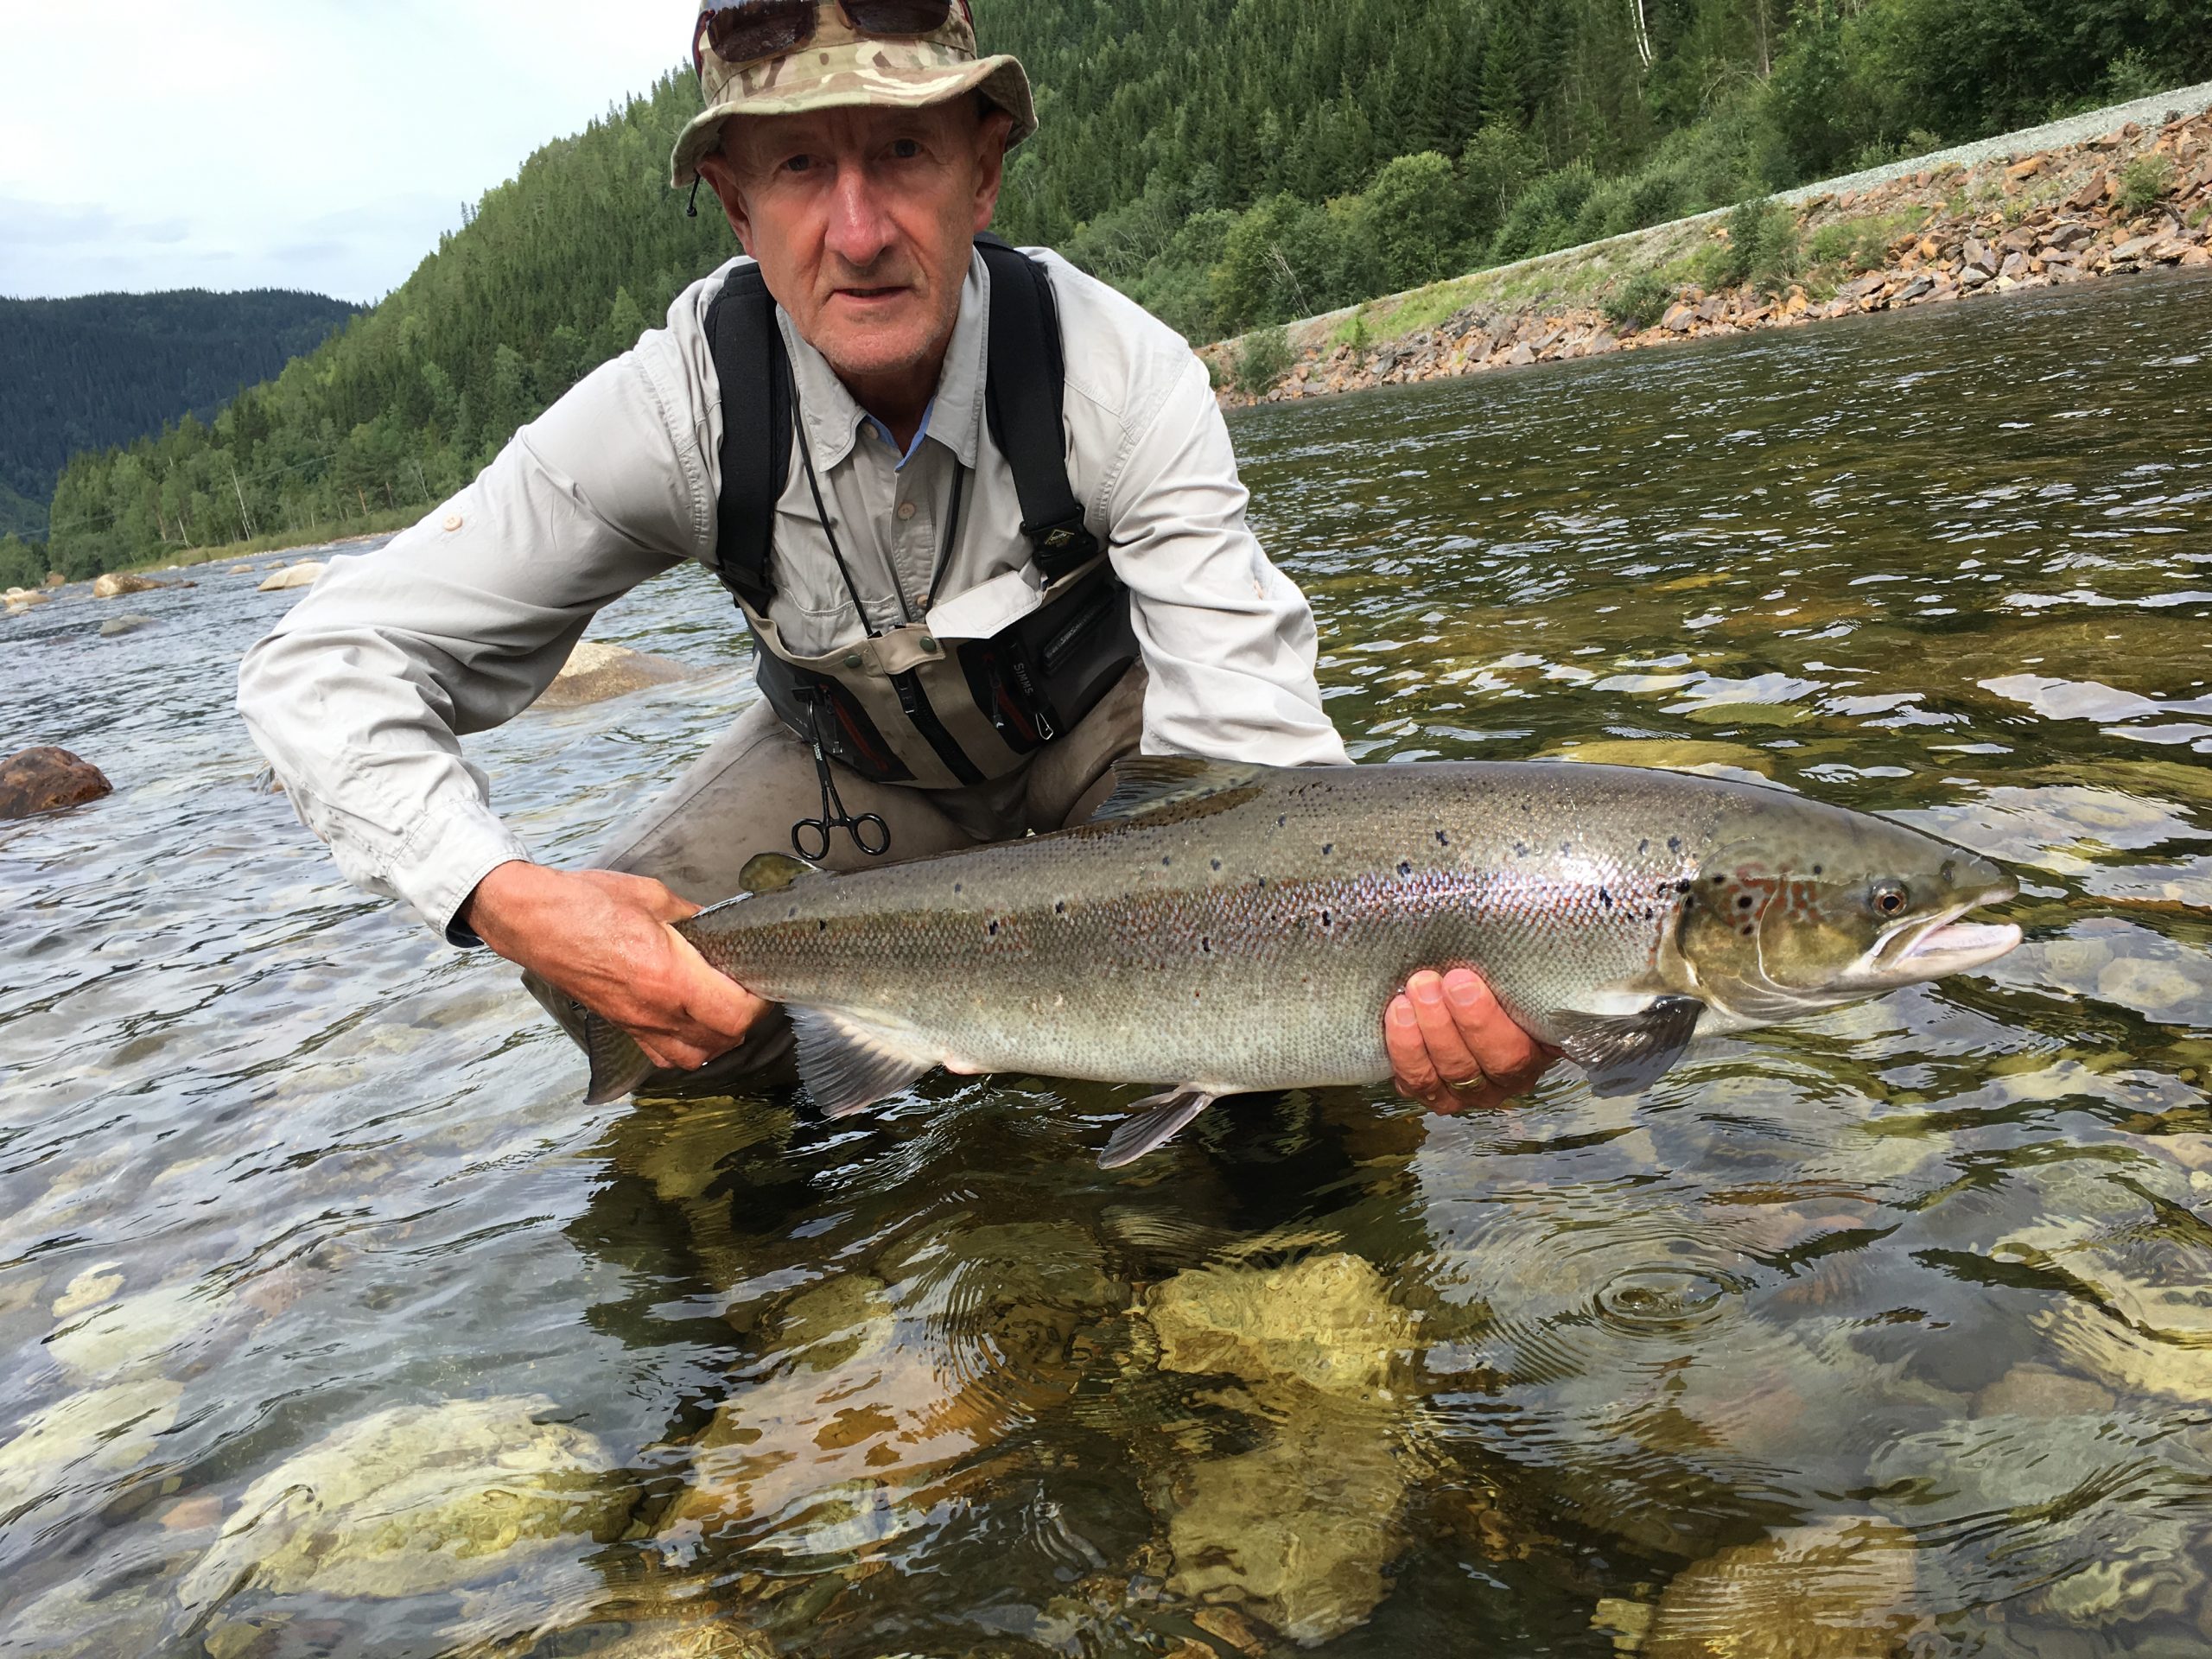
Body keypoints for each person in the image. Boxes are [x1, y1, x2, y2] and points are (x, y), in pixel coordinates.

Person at [238, 0, 1552, 1126]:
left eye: (904, 152)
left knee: (1313, 1056)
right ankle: (790, 1248)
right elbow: (323, 669)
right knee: (635, 1008)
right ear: (735, 207)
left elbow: (1262, 782)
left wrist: (1425, 976)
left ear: (983, 176)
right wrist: (503, 897)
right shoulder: (670, 413)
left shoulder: (1120, 372)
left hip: (1127, 765)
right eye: (801, 167)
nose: (858, 230)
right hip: (859, 781)